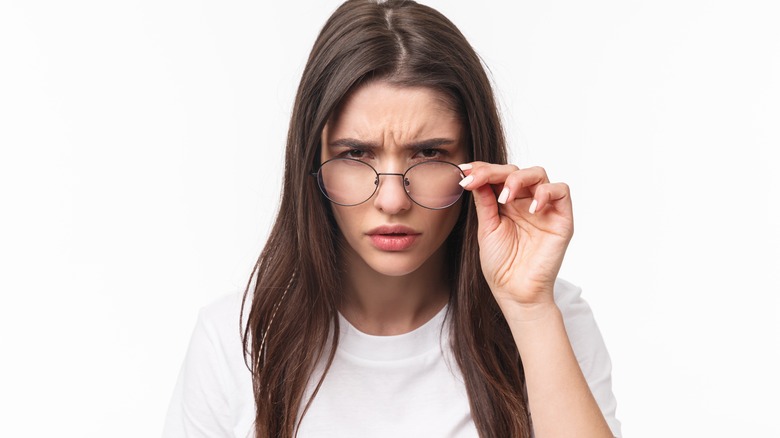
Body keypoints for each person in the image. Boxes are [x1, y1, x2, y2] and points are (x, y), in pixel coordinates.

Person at [164, 1, 621, 437]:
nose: (392, 199)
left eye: (428, 154)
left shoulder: (548, 316)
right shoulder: (237, 339)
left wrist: (528, 310)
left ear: (476, 162)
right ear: (312, 160)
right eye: (355, 153)